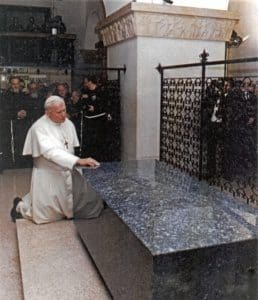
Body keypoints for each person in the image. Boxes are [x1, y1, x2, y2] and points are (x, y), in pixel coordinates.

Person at [10, 95, 104, 224]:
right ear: (47, 112)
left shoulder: (68, 124)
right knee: (47, 215)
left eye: (64, 110)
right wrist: (77, 161)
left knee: (87, 207)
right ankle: (19, 207)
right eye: (59, 112)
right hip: (49, 176)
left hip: (69, 171)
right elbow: (51, 152)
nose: (64, 115)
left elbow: (70, 148)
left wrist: (75, 162)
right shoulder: (39, 128)